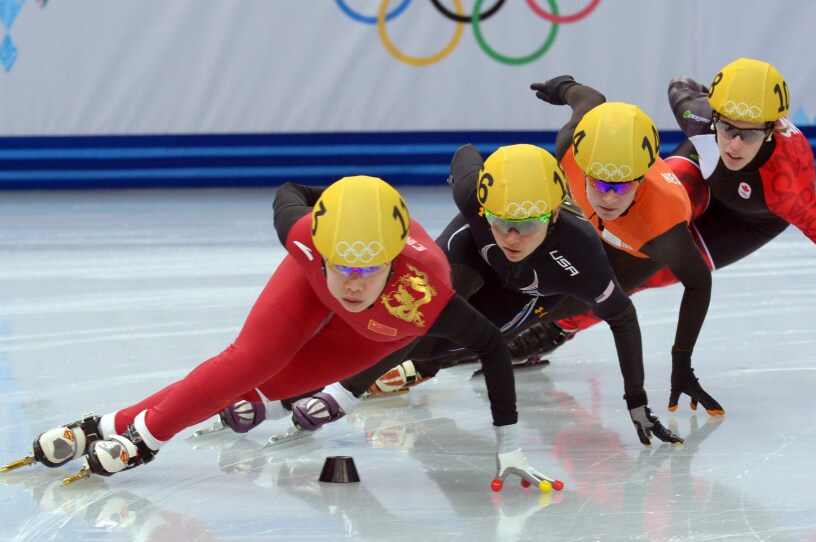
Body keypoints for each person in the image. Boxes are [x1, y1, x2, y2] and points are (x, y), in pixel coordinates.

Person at [4, 176, 558, 490]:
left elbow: (491, 345)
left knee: (263, 391)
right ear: (319, 246)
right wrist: (328, 203)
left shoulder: (427, 294)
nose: (354, 283)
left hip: (381, 331)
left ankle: (107, 426)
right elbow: (289, 191)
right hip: (304, 281)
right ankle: (141, 439)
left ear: (396, 261)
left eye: (370, 268)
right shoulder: (302, 238)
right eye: (342, 264)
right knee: (247, 362)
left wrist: (508, 446)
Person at [223, 143, 682, 449]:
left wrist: (636, 403)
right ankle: (310, 393)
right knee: (403, 320)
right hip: (464, 257)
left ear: (554, 218)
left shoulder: (581, 254)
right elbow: (465, 154)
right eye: (499, 221)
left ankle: (376, 376)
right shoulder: (473, 198)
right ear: (482, 202)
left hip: (526, 291)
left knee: (444, 346)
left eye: (526, 225)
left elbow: (623, 319)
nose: (511, 236)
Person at [522, 58, 816, 393]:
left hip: (749, 220)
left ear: (771, 130)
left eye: (750, 134)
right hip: (698, 175)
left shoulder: (789, 185)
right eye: (727, 128)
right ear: (716, 115)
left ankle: (557, 326)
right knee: (649, 221)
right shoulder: (699, 114)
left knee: (656, 267)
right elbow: (680, 83)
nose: (735, 144)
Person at [525, 79, 720, 415]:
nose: (609, 196)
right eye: (599, 182)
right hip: (602, 226)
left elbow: (699, 283)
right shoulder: (571, 146)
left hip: (637, 248)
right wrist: (562, 87)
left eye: (622, 184)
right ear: (582, 166)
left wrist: (682, 363)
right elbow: (590, 99)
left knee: (554, 306)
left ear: (642, 177)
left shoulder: (664, 233)